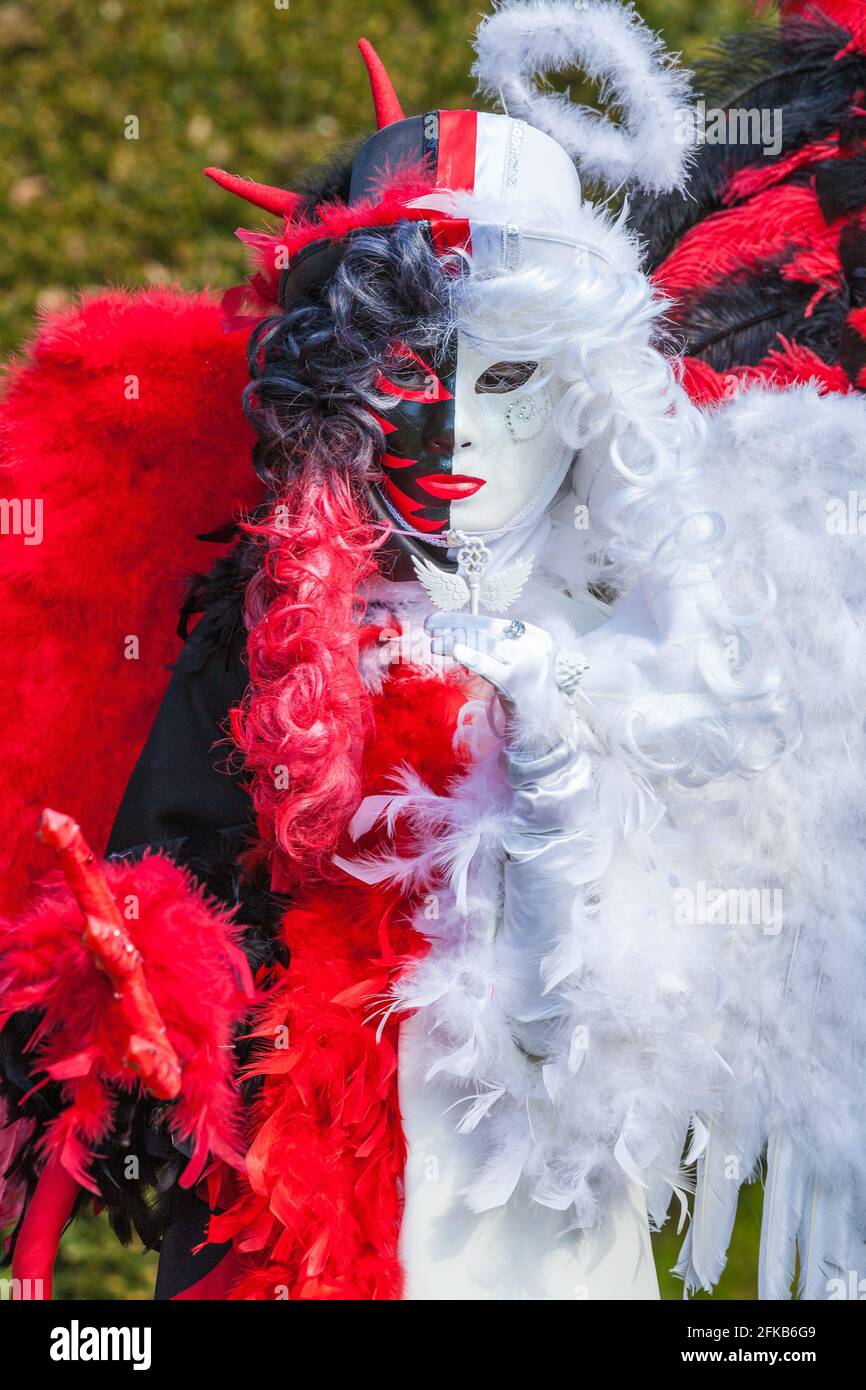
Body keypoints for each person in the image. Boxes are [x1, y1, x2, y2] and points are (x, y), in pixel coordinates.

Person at [2, 0, 866, 1301]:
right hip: (295, 1218)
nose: (456, 433)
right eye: (407, 377)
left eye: (507, 376)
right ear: (336, 390)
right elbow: (168, 872)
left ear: (585, 384)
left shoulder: (657, 618)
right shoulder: (261, 618)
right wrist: (143, 979)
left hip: (560, 1222)